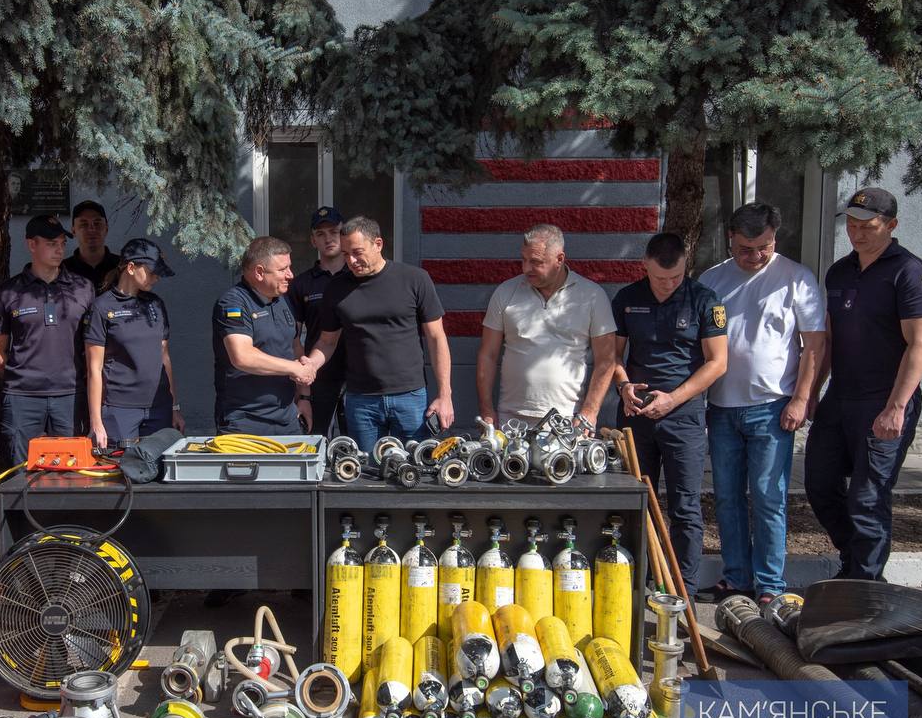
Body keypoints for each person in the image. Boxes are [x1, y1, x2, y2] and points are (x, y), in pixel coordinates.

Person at [805, 187, 922, 581]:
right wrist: (811, 393)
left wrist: (896, 407)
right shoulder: (840, 271)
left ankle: (864, 583)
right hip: (840, 397)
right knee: (819, 486)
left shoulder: (911, 272)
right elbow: (828, 341)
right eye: (852, 224)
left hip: (884, 400)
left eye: (869, 225)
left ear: (892, 225)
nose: (857, 232)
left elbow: (921, 344)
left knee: (868, 498)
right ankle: (856, 561)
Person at [698, 203, 826, 604]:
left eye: (763, 247)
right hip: (721, 407)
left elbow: (815, 345)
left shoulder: (796, 278)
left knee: (769, 496)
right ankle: (736, 577)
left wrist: (802, 399)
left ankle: (770, 583)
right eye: (745, 249)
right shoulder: (712, 279)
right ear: (730, 241)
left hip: (773, 406)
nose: (754, 256)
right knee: (727, 496)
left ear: (775, 237)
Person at [611, 232, 728, 600]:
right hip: (635, 413)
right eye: (660, 278)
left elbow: (718, 362)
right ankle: (635, 583)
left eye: (675, 277)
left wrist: (674, 399)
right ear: (645, 265)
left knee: (685, 506)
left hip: (684, 415)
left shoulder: (705, 300)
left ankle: (683, 592)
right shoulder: (627, 298)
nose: (667, 285)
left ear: (685, 267)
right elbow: (612, 357)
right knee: (634, 501)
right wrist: (623, 385)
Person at [305, 216, 454, 451]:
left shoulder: (414, 279)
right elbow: (327, 341)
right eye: (345, 254)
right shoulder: (337, 288)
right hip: (361, 400)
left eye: (357, 252)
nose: (351, 261)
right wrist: (311, 364)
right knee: (366, 475)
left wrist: (445, 395)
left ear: (378, 244)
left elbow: (437, 339)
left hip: (410, 396)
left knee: (413, 473)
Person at [475, 223, 616, 431]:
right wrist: (486, 410)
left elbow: (606, 359)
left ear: (559, 259)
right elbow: (488, 354)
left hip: (569, 419)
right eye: (523, 260)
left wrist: (590, 412)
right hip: (511, 419)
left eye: (536, 262)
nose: (526, 269)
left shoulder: (592, 296)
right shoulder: (505, 292)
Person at [0, 213, 96, 465]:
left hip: (71, 395)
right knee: (21, 473)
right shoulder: (9, 291)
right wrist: (23, 377)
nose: (58, 250)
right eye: (50, 244)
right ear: (31, 245)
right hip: (22, 399)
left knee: (74, 471)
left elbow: (95, 345)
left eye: (61, 243)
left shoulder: (83, 288)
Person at [86, 238, 184, 448]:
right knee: (120, 474)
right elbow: (94, 368)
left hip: (159, 406)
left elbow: (165, 357)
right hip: (119, 408)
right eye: (151, 272)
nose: (156, 278)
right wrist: (96, 421)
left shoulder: (156, 304)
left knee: (158, 472)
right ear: (131, 267)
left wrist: (174, 407)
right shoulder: (102, 307)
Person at [212, 236, 312, 435]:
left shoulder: (282, 300)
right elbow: (243, 357)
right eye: (283, 270)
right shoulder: (233, 303)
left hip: (287, 417)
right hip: (245, 421)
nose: (290, 275)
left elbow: (294, 346)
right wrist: (293, 368)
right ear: (259, 272)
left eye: (289, 267)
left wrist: (304, 398)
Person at [287, 206, 350, 437]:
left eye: (334, 232)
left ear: (343, 236)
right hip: (318, 377)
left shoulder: (358, 278)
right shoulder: (300, 284)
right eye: (321, 234)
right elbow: (294, 339)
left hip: (359, 377)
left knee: (359, 450)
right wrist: (303, 391)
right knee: (318, 440)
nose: (328, 239)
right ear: (313, 241)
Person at [63, 199, 121, 292]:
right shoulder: (63, 270)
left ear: (106, 228)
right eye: (84, 224)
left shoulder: (122, 267)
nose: (91, 229)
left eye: (97, 223)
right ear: (73, 231)